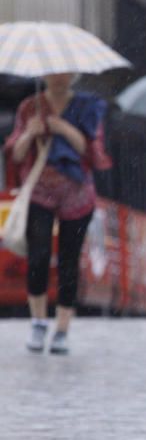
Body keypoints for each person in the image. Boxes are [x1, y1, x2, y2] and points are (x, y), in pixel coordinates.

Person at [4, 73, 111, 354]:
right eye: (53, 72)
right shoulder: (30, 107)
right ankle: (38, 321)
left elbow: (90, 151)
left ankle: (62, 328)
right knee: (38, 256)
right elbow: (15, 154)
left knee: (68, 260)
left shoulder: (87, 107)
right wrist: (31, 131)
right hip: (39, 191)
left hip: (77, 195)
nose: (59, 77)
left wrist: (62, 128)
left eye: (65, 72)